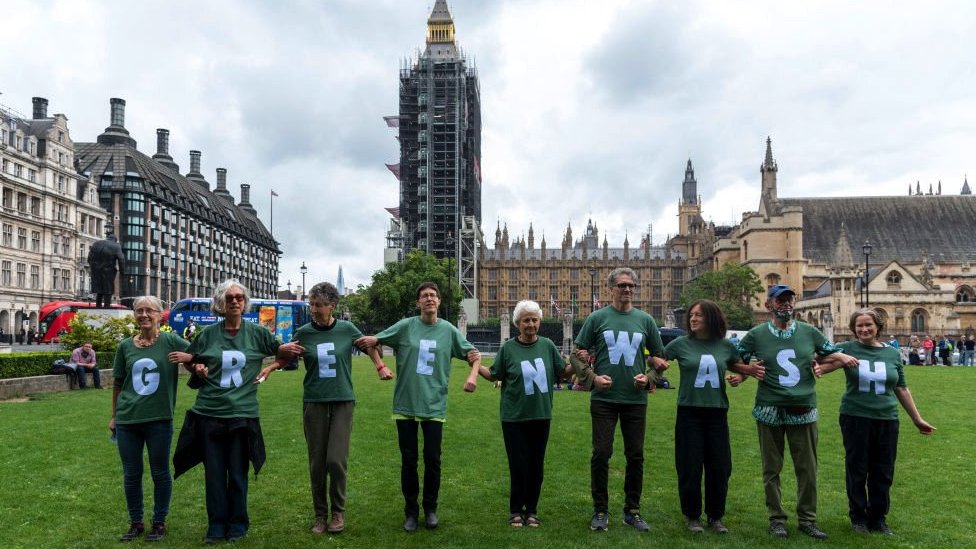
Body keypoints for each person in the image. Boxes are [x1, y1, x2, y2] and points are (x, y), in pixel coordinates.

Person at [169, 279, 303, 543]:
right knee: (215, 474)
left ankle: (238, 524)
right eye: (229, 297)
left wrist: (271, 367)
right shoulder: (207, 334)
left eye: (239, 297)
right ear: (220, 302)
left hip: (242, 414)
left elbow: (285, 353)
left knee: (238, 473)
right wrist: (196, 368)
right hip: (210, 412)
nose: (234, 301)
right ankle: (216, 526)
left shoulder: (257, 333)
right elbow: (192, 360)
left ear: (245, 302)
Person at [256, 282, 393, 535]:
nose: (314, 310)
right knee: (317, 463)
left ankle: (338, 512)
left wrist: (379, 366)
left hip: (342, 401)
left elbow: (369, 346)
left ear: (332, 306)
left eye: (319, 305)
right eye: (311, 304)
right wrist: (272, 367)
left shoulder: (347, 329)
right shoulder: (304, 332)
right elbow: (287, 354)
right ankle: (320, 515)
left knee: (335, 460)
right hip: (314, 402)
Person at [736, 284, 858, 540]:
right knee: (772, 468)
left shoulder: (809, 332)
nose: (786, 304)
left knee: (808, 468)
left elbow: (831, 353)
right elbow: (735, 358)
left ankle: (807, 520)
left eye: (790, 299)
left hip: (803, 407)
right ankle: (776, 518)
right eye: (780, 300)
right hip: (769, 407)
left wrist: (833, 362)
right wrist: (746, 372)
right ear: (769, 304)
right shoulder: (756, 334)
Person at [358, 281, 481, 532]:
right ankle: (411, 512)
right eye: (424, 296)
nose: (429, 299)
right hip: (406, 404)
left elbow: (474, 355)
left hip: (434, 404)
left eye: (433, 295)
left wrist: (473, 377)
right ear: (418, 303)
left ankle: (431, 509)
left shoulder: (447, 330)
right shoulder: (406, 327)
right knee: (409, 460)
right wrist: (380, 366)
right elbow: (370, 342)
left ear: (438, 302)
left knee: (433, 460)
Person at [814, 308, 935, 536]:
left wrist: (917, 419)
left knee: (883, 471)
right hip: (855, 417)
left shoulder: (891, 353)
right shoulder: (848, 348)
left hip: (887, 419)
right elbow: (818, 358)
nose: (864, 329)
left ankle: (878, 518)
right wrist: (839, 358)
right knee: (857, 468)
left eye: (868, 324)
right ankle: (858, 518)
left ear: (878, 326)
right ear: (853, 329)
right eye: (859, 326)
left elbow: (901, 387)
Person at [571, 267, 668, 533]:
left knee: (635, 456)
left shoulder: (645, 320)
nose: (627, 290)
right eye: (622, 285)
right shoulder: (597, 318)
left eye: (631, 286)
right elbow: (576, 355)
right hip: (604, 399)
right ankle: (600, 510)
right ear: (610, 288)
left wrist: (649, 378)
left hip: (635, 400)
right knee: (601, 454)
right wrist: (592, 379)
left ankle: (632, 511)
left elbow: (661, 361)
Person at [469, 300, 571, 528]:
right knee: (518, 465)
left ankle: (532, 510)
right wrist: (475, 364)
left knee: (536, 465)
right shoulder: (508, 348)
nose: (531, 324)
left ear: (540, 322)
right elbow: (495, 374)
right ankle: (516, 510)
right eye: (526, 320)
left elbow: (562, 373)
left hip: (541, 415)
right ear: (517, 323)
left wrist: (578, 364)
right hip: (514, 417)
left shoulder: (547, 346)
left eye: (534, 320)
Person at [664, 299, 762, 535]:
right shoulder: (680, 344)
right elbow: (658, 360)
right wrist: (653, 368)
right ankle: (692, 515)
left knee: (720, 467)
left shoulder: (726, 346)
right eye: (691, 315)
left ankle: (716, 517)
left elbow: (740, 367)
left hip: (717, 412)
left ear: (711, 318)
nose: (693, 319)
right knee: (690, 466)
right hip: (689, 412)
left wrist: (742, 375)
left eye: (698, 315)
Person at [110, 296, 190, 542]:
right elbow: (118, 383)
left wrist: (191, 360)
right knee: (131, 474)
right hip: (128, 420)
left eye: (149, 311)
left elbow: (199, 355)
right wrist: (114, 416)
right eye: (139, 310)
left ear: (159, 315)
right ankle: (136, 522)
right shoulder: (125, 346)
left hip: (158, 418)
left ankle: (159, 522)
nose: (144, 314)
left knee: (160, 472)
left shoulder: (170, 341)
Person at [88, 232, 126, 308]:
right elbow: (121, 259)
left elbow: (89, 258)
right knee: (108, 288)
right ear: (115, 240)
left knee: (99, 289)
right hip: (108, 270)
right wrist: (122, 272)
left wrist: (93, 266)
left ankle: (98, 305)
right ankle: (107, 305)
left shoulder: (96, 243)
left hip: (96, 270)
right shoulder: (116, 246)